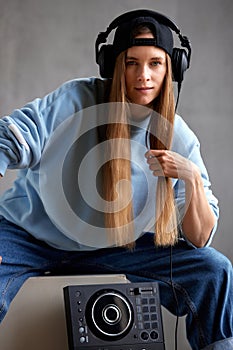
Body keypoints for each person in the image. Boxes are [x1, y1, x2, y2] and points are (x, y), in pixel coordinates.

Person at [0, 8, 232, 350]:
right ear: (113, 64)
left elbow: (199, 239)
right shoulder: (74, 101)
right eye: (131, 63)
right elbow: (8, 137)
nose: (144, 76)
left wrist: (192, 179)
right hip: (29, 236)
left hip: (119, 246)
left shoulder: (177, 134)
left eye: (155, 63)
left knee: (214, 272)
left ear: (172, 69)